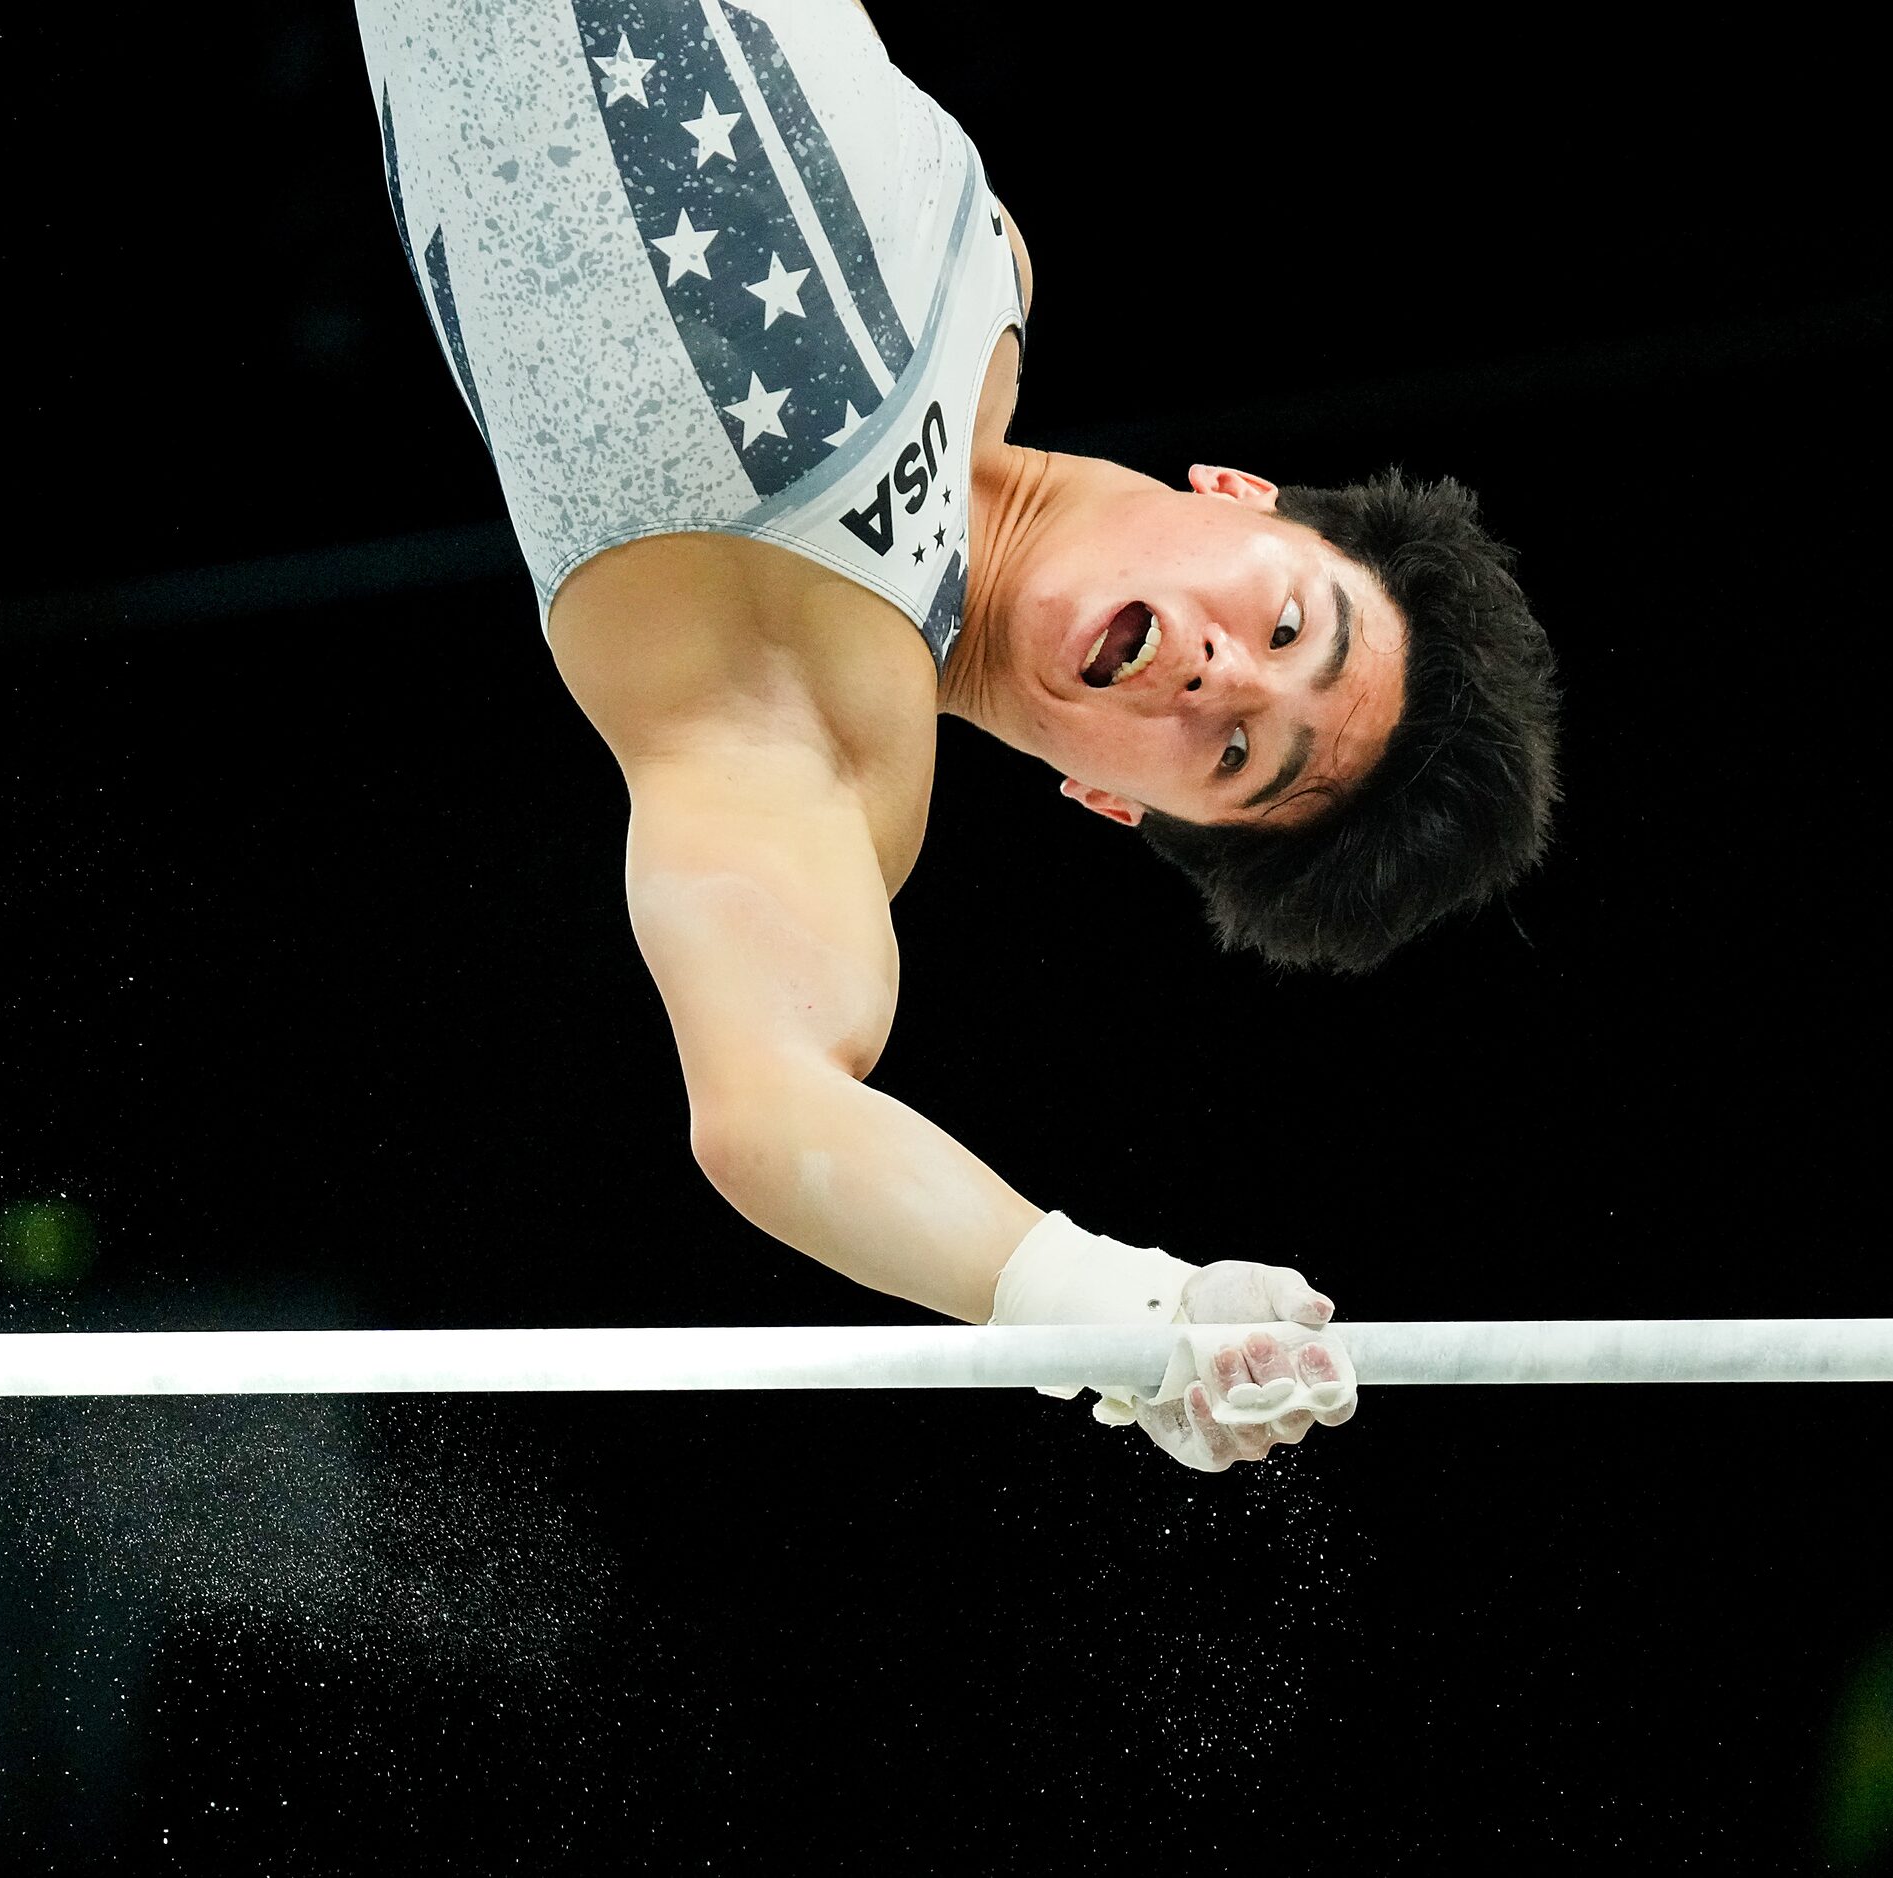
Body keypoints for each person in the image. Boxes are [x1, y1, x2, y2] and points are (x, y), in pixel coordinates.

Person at [353, 0, 1559, 1469]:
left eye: (1242, 758)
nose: (1223, 679)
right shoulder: (993, 264)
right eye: (1295, 626)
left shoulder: (805, 730)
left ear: (1108, 801)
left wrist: (1109, 1304)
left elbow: (773, 1117)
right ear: (1242, 492)